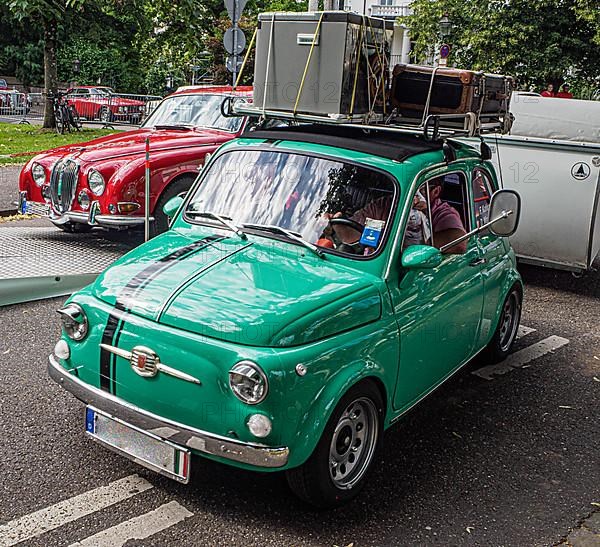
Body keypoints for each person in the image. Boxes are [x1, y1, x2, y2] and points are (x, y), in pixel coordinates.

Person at [329, 177, 467, 255]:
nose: (413, 195)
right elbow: (349, 235)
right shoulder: (384, 204)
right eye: (408, 188)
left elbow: (459, 244)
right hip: (374, 264)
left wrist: (411, 245)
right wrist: (334, 223)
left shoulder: (442, 212)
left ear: (435, 191)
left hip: (414, 272)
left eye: (419, 189)